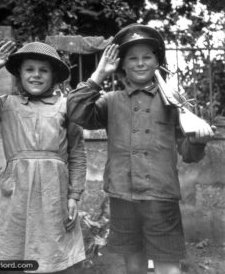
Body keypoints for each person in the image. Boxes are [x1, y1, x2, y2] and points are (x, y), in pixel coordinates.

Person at [67, 24, 215, 274]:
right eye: (132, 58)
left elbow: (189, 154)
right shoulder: (110, 101)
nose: (140, 63)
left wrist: (198, 140)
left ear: (157, 61)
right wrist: (99, 75)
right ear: (122, 64)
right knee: (133, 264)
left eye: (147, 57)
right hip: (122, 196)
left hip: (160, 197)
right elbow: (76, 111)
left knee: (168, 266)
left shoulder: (173, 101)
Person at [0, 40, 86, 273]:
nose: (36, 75)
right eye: (29, 70)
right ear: (20, 75)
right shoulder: (5, 104)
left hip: (55, 192)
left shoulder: (66, 106)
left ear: (53, 76)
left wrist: (74, 196)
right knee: (17, 254)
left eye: (43, 70)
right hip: (18, 193)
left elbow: (77, 155)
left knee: (55, 254)